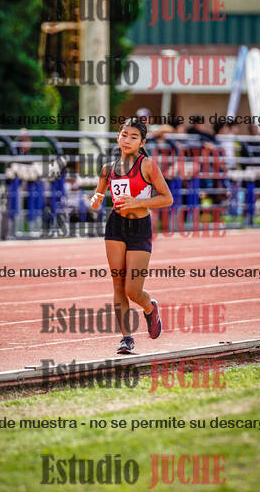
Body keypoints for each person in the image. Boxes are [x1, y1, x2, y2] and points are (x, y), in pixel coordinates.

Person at [90, 117, 173, 354]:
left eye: (133, 137)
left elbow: (167, 198)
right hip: (115, 227)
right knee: (117, 283)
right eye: (124, 135)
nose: (127, 140)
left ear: (142, 142)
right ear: (118, 137)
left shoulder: (148, 166)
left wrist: (138, 202)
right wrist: (95, 200)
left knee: (132, 289)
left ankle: (149, 307)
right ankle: (126, 338)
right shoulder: (108, 169)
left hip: (139, 228)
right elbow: (99, 194)